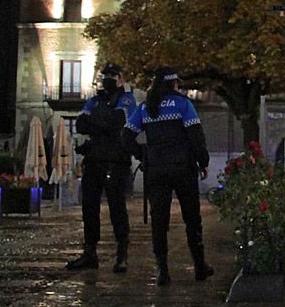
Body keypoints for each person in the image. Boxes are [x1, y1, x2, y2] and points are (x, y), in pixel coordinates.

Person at [129, 67, 212, 285]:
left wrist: (143, 156)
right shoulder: (183, 104)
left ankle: (162, 271)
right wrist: (203, 162)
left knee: (159, 220)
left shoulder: (146, 108)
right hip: (183, 168)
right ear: (174, 84)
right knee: (192, 218)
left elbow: (126, 135)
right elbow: (196, 135)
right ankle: (200, 266)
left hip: (156, 169)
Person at [67, 63, 140, 273]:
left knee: (117, 208)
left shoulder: (127, 99)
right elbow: (81, 123)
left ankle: (121, 254)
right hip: (94, 160)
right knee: (89, 207)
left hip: (115, 162)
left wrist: (97, 124)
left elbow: (118, 123)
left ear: (120, 79)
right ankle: (90, 252)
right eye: (105, 75)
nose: (108, 78)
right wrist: (102, 125)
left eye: (113, 75)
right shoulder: (95, 99)